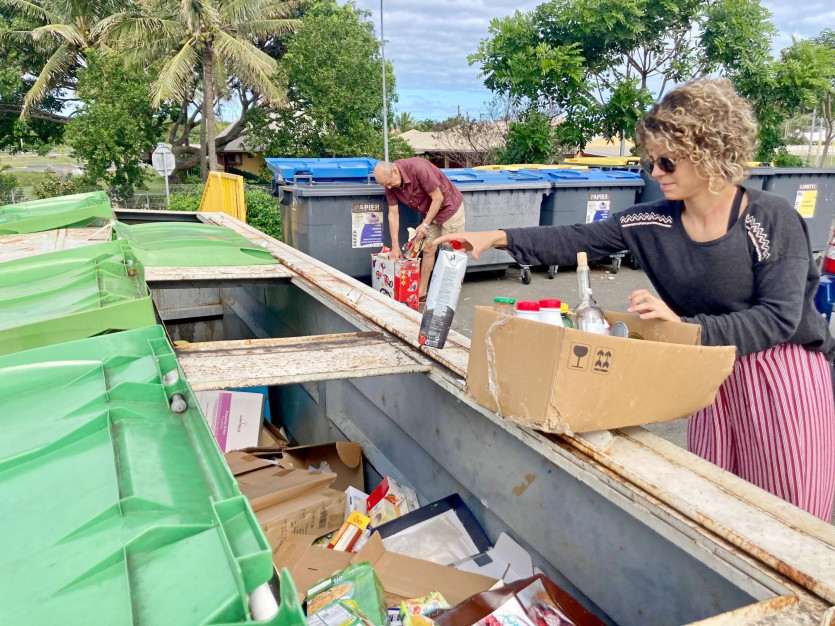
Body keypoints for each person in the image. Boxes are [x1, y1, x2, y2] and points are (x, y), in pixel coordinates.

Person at [436, 78, 835, 521]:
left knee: (790, 514)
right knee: (718, 508)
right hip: (708, 371)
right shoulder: (652, 221)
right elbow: (576, 237)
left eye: (667, 161)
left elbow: (779, 317)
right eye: (651, 161)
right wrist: (494, 237)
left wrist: (684, 328)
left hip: (780, 372)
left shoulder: (768, 218)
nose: (655, 172)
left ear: (710, 151)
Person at [373, 158, 466, 300]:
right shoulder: (389, 183)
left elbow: (438, 198)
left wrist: (425, 224)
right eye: (386, 185)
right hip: (431, 213)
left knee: (450, 251)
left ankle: (448, 294)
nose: (390, 188)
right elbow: (393, 215)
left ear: (395, 171)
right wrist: (395, 247)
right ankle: (422, 291)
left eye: (390, 183)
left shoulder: (418, 168)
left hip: (449, 208)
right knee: (428, 248)